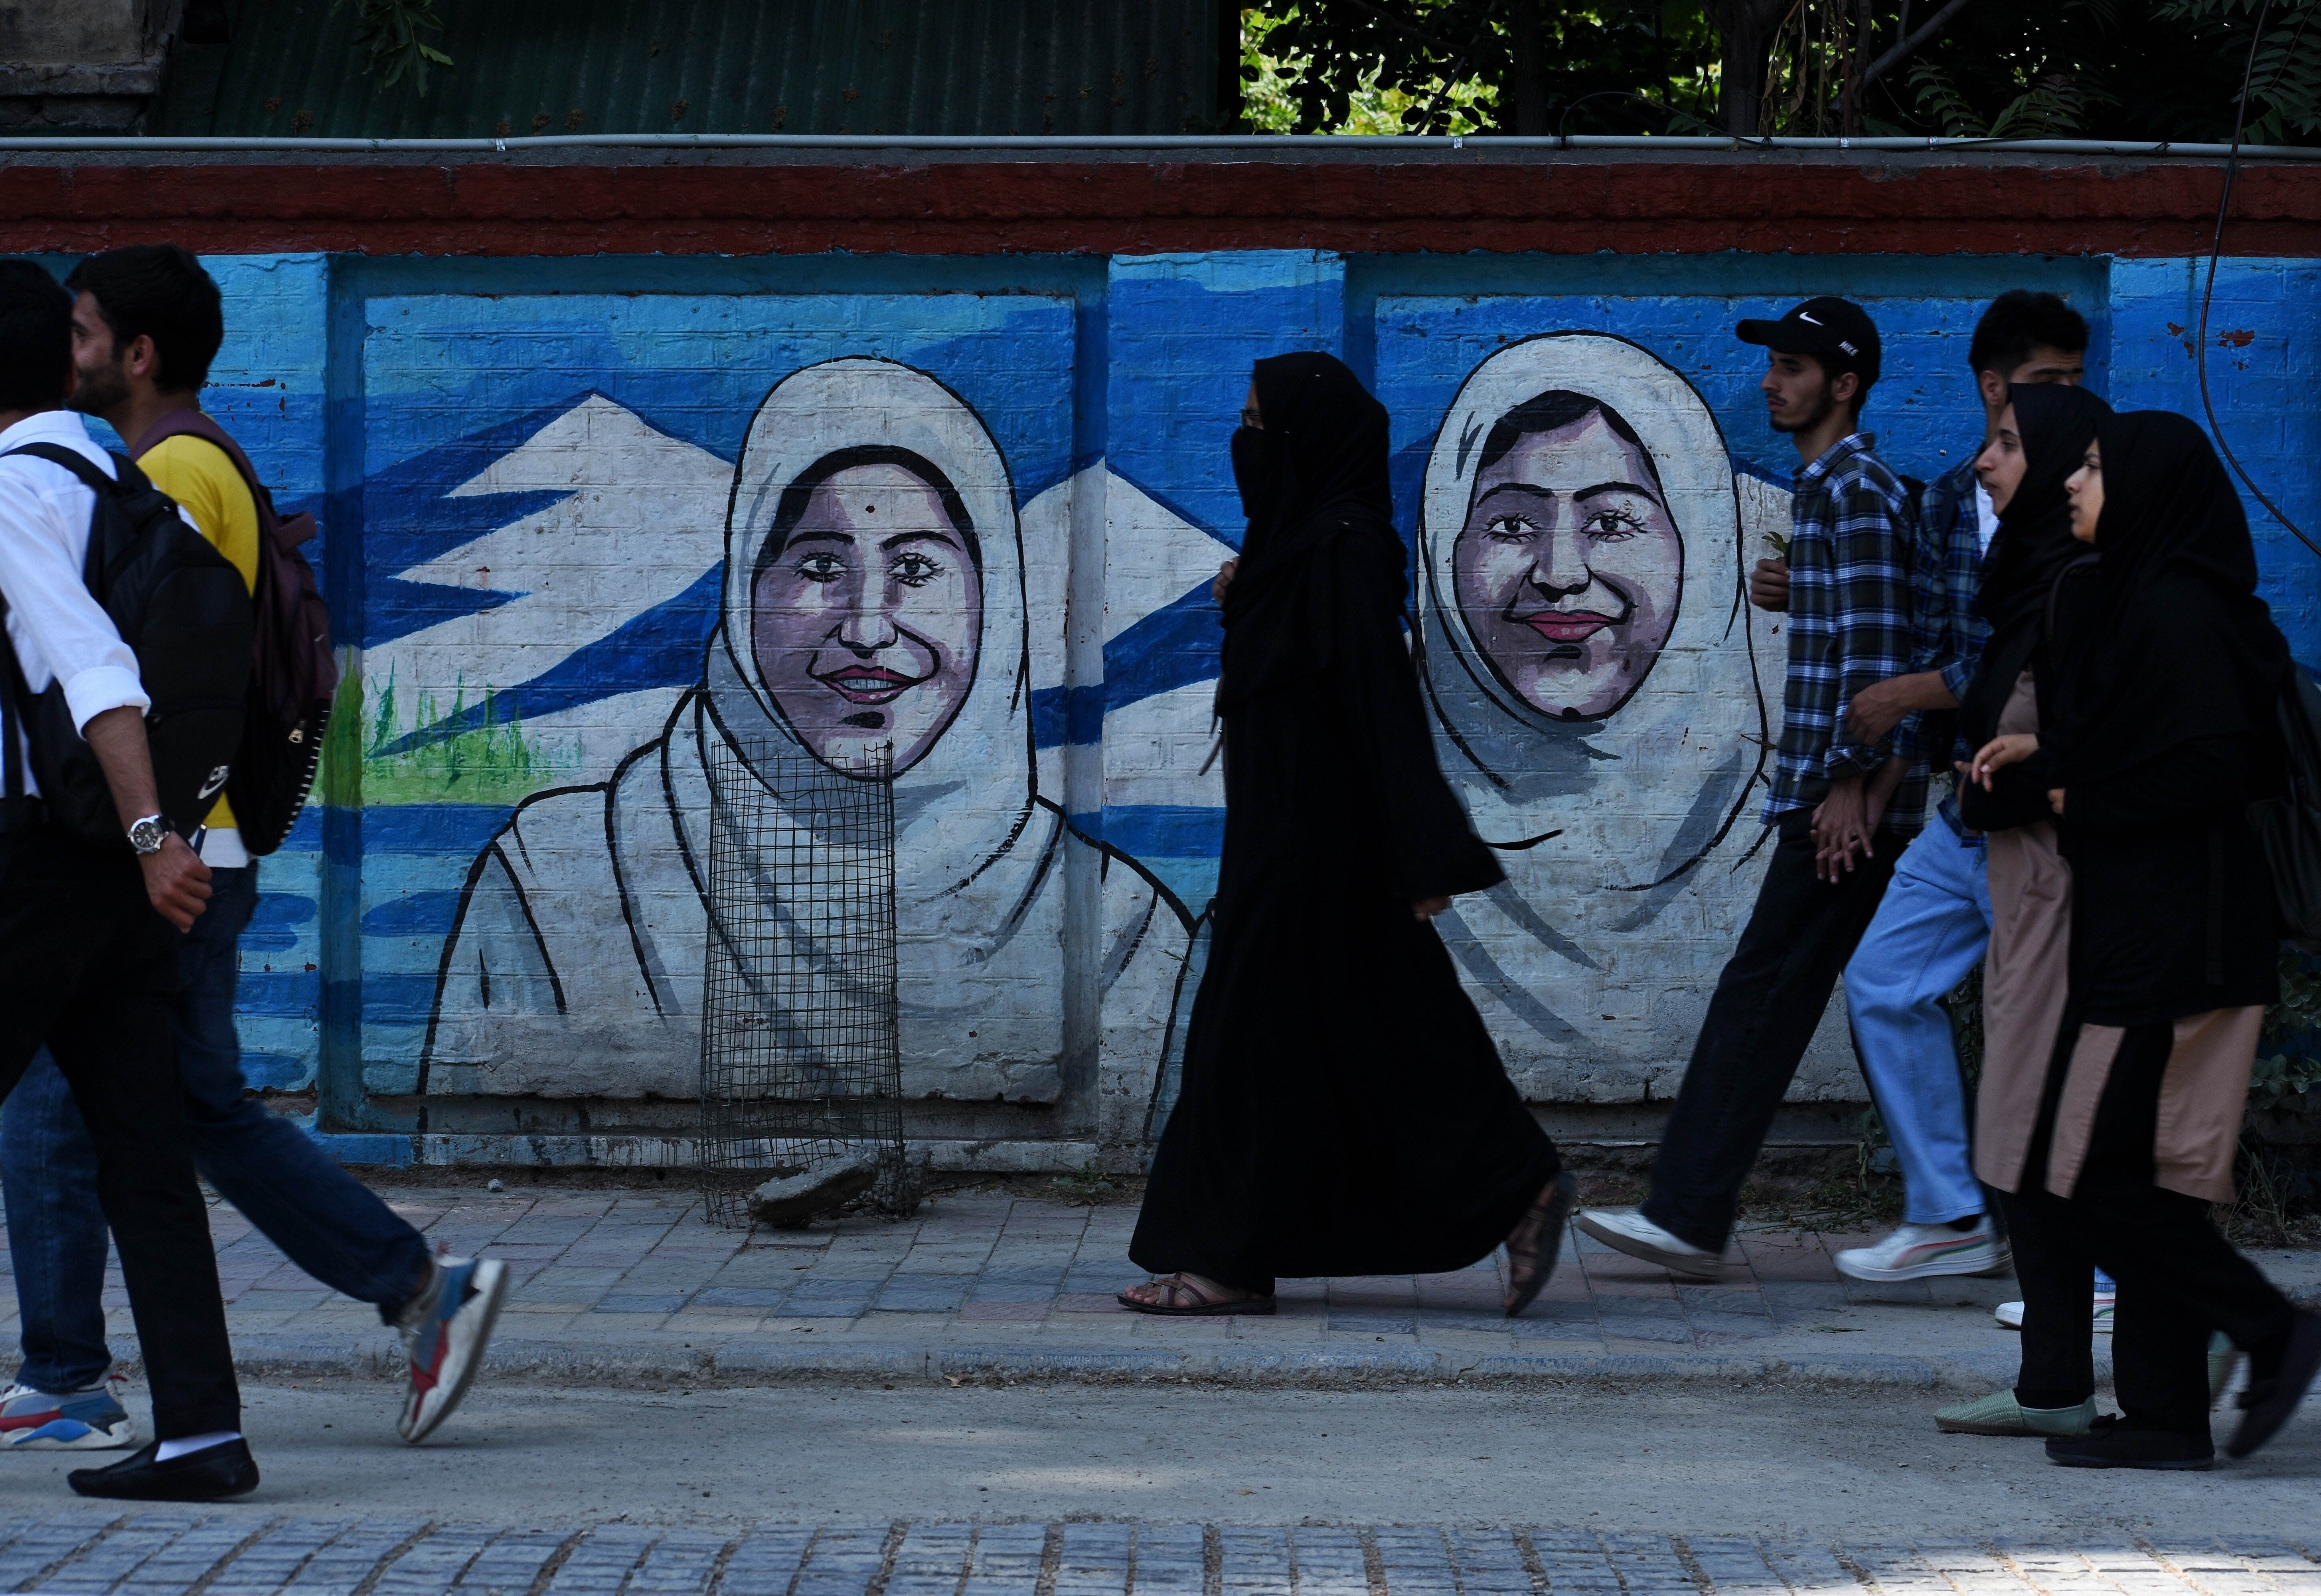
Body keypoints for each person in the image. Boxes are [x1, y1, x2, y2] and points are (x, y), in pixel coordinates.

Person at [0, 246, 509, 1454]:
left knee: (150, 1110)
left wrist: (144, 833)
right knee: (141, 1113)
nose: (68, 357)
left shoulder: (150, 469)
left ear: (137, 353)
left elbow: (118, 671)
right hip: (161, 844)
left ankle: (401, 1286)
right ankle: (138, 1396)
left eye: (85, 334)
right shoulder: (152, 463)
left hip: (148, 848)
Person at [421, 357, 1190, 1117]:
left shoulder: (1118, 926)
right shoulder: (563, 878)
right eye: (819, 563)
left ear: (996, 604)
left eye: (916, 568)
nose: (865, 626)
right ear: (746, 586)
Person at [1122, 353, 1574, 1317]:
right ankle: (1522, 1180)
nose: (1244, 442)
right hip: (1285, 839)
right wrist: (1245, 598)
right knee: (1397, 1030)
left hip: (1317, 849)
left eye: (1258, 424)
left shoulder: (1344, 548)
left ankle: (1227, 1260)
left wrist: (1421, 854)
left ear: (1305, 441)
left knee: (1250, 1040)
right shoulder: (1297, 548)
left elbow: (1379, 704)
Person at [1964, 410, 2319, 1469]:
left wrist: (2070, 786)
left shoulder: (2181, 612)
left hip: (2177, 936)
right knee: (2146, 1178)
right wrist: (2050, 743)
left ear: (2149, 489)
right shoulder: (2149, 602)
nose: (2075, 481)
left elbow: (2207, 772)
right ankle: (2166, 1416)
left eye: (2093, 467)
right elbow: (2160, 735)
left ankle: (2269, 1329)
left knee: (2094, 1179)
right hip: (2152, 927)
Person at [1576, 298, 1921, 1278]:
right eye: (1772, 365)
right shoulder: (1831, 492)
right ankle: (1956, 1210)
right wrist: (1798, 587)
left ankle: (1687, 1215)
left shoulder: (1853, 490)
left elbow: (1886, 651)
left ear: (1843, 384)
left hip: (1841, 804)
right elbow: (1858, 614)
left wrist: (1853, 788)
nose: (1770, 382)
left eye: (1792, 368)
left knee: (1759, 998)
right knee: (1796, 996)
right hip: (1832, 793)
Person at [0, 258, 253, 1501]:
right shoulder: (116, 476)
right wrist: (164, 839)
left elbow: (97, 667)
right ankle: (205, 1434)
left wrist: (158, 841)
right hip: (117, 869)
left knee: (137, 1144)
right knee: (145, 1151)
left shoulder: (11, 493)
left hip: (48, 864)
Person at [1408, 333, 1779, 1097]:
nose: (1561, 575)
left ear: (1700, 548)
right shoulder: (1387, 849)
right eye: (1511, 525)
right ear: (1446, 545)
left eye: (1613, 522)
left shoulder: (1790, 858)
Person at [1830, 292, 2090, 1284]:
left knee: (2063, 1033)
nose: (2075, 400)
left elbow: (2005, 656)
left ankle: (2098, 1273)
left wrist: (1914, 690)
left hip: (2052, 813)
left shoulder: (2090, 507)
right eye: (2052, 383)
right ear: (1992, 386)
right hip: (1967, 807)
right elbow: (1926, 632)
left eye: (2075, 380)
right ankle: (1948, 1211)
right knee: (1884, 979)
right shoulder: (1945, 501)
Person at [1903, 383, 2107, 1443]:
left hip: (2066, 900)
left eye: (2009, 445)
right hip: (2023, 897)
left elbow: (2095, 755)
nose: (1984, 462)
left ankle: (2198, 1313)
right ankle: (2058, 1377)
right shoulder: (2029, 587)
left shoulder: (2076, 591)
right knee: (2032, 1139)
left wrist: (2001, 781)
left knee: (2045, 1138)